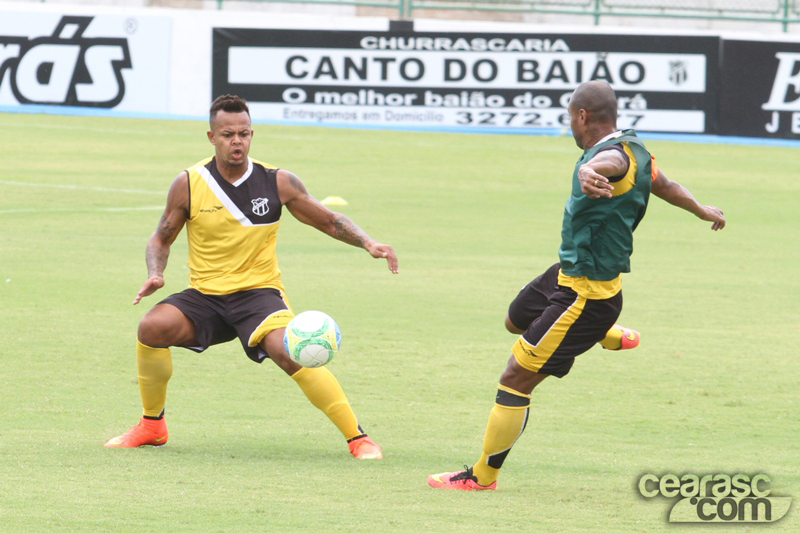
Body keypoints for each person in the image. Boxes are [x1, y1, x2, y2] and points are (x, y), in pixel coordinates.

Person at [427, 80, 726, 490]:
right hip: (566, 273)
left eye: (570, 116)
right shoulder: (637, 151)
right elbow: (665, 185)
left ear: (582, 116)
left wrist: (588, 171)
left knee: (515, 377)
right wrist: (700, 208)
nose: (570, 123)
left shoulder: (611, 158)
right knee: (515, 321)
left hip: (586, 294)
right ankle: (602, 334)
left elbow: (604, 167)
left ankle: (482, 477)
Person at [105, 94, 398, 460]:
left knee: (290, 352)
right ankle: (152, 426)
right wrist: (156, 272)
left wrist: (368, 242)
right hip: (206, 296)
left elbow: (328, 219)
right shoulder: (189, 183)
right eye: (228, 134)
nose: (237, 141)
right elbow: (161, 237)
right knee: (152, 327)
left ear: (252, 134)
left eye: (244, 133)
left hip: (258, 295)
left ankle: (358, 438)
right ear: (211, 137)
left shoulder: (277, 182)